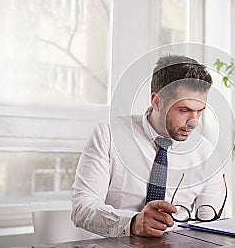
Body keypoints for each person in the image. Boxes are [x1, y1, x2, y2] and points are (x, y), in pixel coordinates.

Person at [71, 55, 225, 238]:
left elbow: (209, 223)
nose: (193, 122)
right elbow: (82, 207)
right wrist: (133, 222)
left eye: (200, 111)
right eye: (184, 110)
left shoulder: (206, 153)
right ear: (156, 101)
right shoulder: (109, 135)